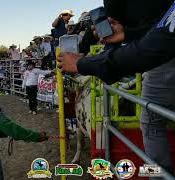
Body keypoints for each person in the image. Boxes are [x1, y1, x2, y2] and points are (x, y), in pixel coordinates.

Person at [58, 1, 175, 175]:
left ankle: (160, 176)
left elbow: (154, 46)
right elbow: (162, 29)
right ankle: (159, 174)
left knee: (151, 123)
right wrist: (126, 34)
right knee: (150, 121)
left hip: (161, 60)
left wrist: (83, 64)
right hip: (160, 58)